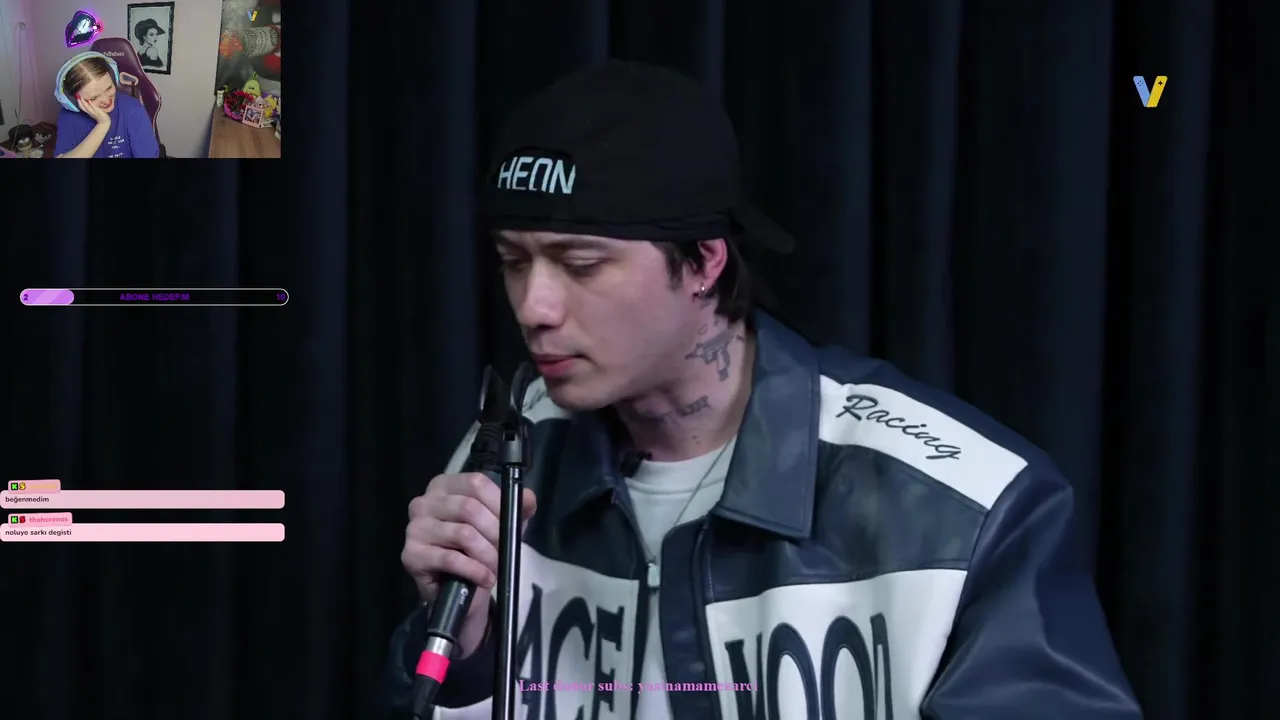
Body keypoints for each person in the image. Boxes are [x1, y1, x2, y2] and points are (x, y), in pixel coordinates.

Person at [385, 60, 1142, 719]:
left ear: (704, 262)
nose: (534, 307)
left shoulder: (965, 504)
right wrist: (467, 650)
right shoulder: (507, 453)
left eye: (580, 264)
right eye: (514, 262)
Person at [53, 53, 159, 159]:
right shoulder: (68, 116)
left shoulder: (132, 109)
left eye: (109, 88)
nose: (106, 100)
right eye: (94, 98)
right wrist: (103, 124)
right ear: (73, 101)